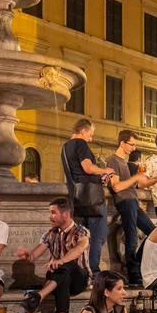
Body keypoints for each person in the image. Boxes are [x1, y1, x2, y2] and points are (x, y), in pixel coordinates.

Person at [17, 198, 90, 313]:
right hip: (60, 280)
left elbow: (79, 249)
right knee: (61, 275)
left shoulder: (81, 231)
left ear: (66, 214)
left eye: (53, 213)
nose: (50, 217)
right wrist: (28, 256)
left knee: (67, 266)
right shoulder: (50, 234)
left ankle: (38, 297)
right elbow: (34, 254)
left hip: (79, 279)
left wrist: (61, 260)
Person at [108, 130, 157, 287]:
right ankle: (133, 274)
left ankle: (136, 263)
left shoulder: (124, 162)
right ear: (122, 143)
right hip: (125, 201)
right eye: (132, 144)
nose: (134, 148)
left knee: (153, 232)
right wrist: (135, 177)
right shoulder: (113, 160)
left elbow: (133, 184)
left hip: (133, 201)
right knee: (132, 236)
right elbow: (116, 187)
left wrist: (155, 178)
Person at [61, 118, 115, 276]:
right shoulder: (80, 143)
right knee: (99, 234)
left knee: (81, 236)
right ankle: (94, 271)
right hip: (91, 198)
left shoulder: (65, 147)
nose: (90, 139)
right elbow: (88, 168)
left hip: (76, 197)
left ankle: (81, 271)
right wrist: (105, 170)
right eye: (90, 135)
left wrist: (99, 178)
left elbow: (77, 172)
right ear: (83, 131)